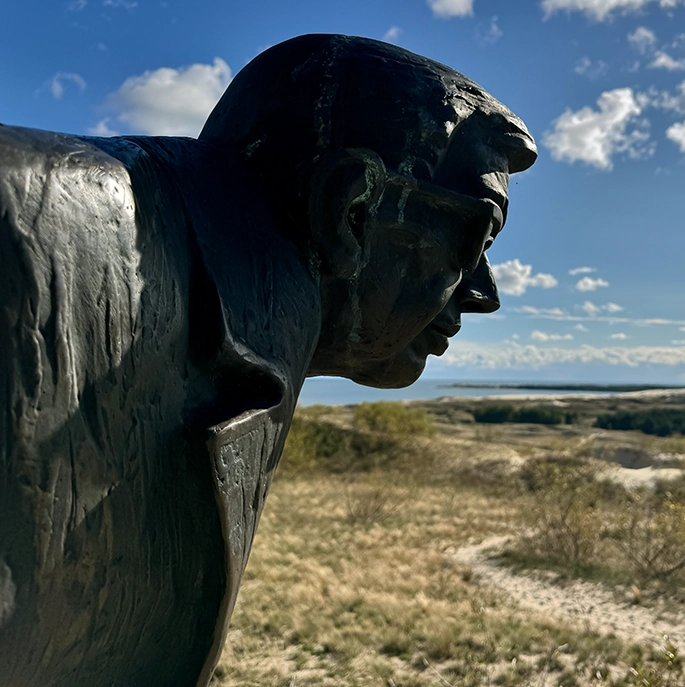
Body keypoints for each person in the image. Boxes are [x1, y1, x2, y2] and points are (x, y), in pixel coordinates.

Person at [0, 34, 536, 686]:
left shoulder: (231, 322)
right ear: (351, 211)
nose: (485, 293)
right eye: (477, 236)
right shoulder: (26, 230)